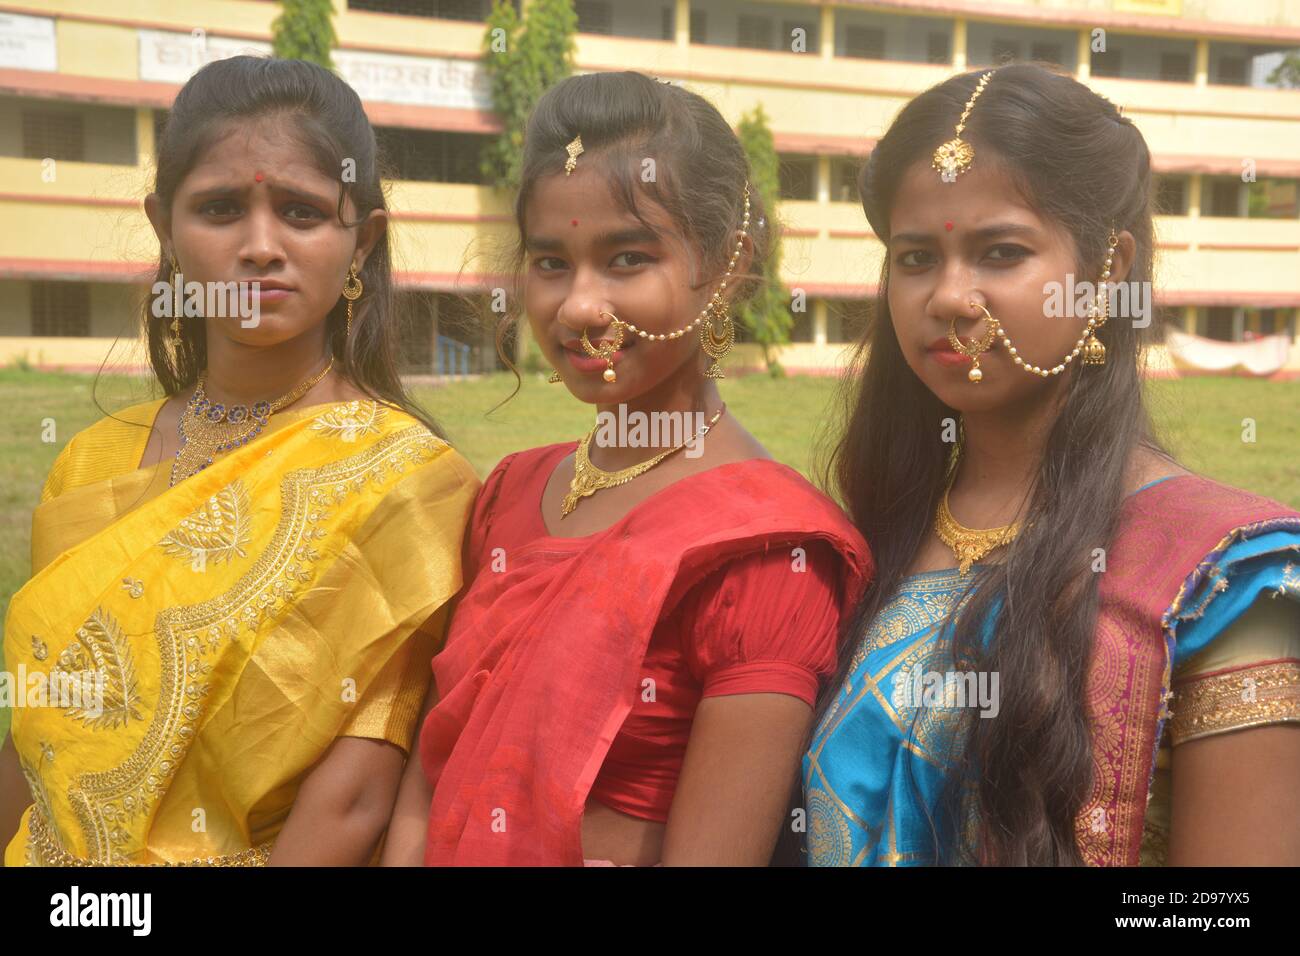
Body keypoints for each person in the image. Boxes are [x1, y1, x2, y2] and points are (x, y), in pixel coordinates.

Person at [803, 63, 1300, 866]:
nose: (950, 297)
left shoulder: (1226, 580)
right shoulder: (866, 537)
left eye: (1001, 252)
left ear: (1109, 270)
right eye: (916, 256)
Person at [381, 71, 872, 867]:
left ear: (727, 267)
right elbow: (433, 776)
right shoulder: (506, 494)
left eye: (627, 259)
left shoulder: (767, 549)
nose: (579, 307)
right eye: (550, 263)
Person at [0, 56, 479, 866]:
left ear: (362, 242)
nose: (261, 247)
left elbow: (353, 799)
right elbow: (36, 735)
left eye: (301, 212)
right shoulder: (90, 463)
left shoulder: (410, 481)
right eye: (220, 209)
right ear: (165, 228)